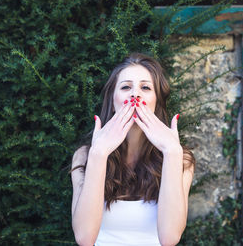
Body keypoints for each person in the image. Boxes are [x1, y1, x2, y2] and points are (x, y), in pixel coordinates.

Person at [71, 53, 195, 246]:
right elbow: (84, 238)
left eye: (145, 87)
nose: (135, 94)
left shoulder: (181, 158)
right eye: (126, 87)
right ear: (113, 101)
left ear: (157, 101)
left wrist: (172, 151)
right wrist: (99, 154)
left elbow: (170, 238)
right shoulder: (85, 156)